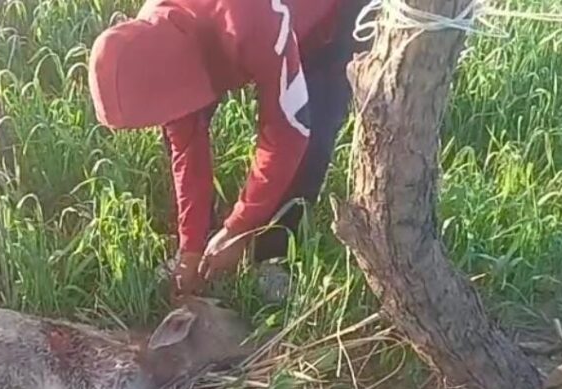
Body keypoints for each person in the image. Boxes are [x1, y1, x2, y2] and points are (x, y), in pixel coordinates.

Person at [88, 0, 370, 301]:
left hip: (326, 19)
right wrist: (190, 247)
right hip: (240, 34)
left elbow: (288, 133)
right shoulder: (151, 44)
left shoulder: (250, 20)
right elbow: (187, 146)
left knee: (311, 139)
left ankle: (271, 256)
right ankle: (207, 246)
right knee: (181, 131)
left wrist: (240, 227)